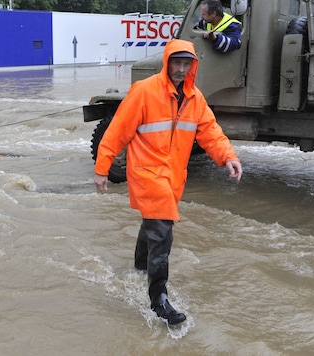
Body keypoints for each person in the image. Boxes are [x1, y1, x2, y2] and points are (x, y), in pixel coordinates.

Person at [93, 39, 243, 325]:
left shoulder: (195, 98)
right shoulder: (145, 91)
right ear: (167, 62)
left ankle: (139, 265)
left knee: (154, 224)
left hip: (173, 177)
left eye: (187, 64)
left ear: (193, 66)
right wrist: (103, 168)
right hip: (148, 173)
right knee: (163, 232)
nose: (181, 69)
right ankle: (158, 299)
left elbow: (210, 131)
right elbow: (117, 131)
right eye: (177, 62)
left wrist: (228, 157)